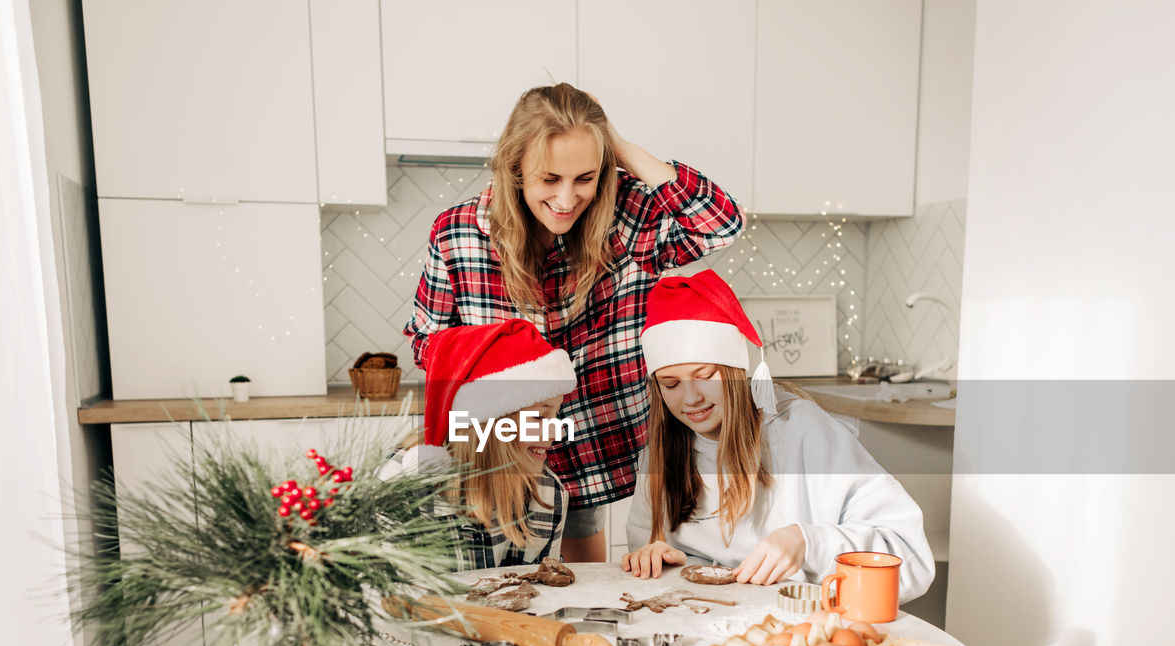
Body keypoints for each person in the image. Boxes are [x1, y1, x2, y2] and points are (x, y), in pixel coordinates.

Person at [404, 83, 745, 563]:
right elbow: (428, 343)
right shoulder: (459, 232)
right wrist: (501, 374)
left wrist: (620, 149)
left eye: (584, 177)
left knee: (581, 589)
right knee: (492, 581)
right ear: (514, 167)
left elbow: (722, 223)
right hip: (500, 456)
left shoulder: (627, 215)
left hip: (595, 438)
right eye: (549, 178)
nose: (567, 198)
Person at [621, 270, 935, 600]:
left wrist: (807, 543)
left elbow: (910, 557)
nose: (690, 398)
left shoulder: (803, 432)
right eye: (670, 384)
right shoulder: (661, 449)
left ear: (734, 370)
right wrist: (664, 561)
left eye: (705, 375)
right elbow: (651, 563)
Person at [383, 319, 576, 570]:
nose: (556, 431)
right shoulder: (404, 483)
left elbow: (542, 593)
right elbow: (379, 596)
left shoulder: (548, 494)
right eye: (540, 416)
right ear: (486, 421)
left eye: (556, 415)